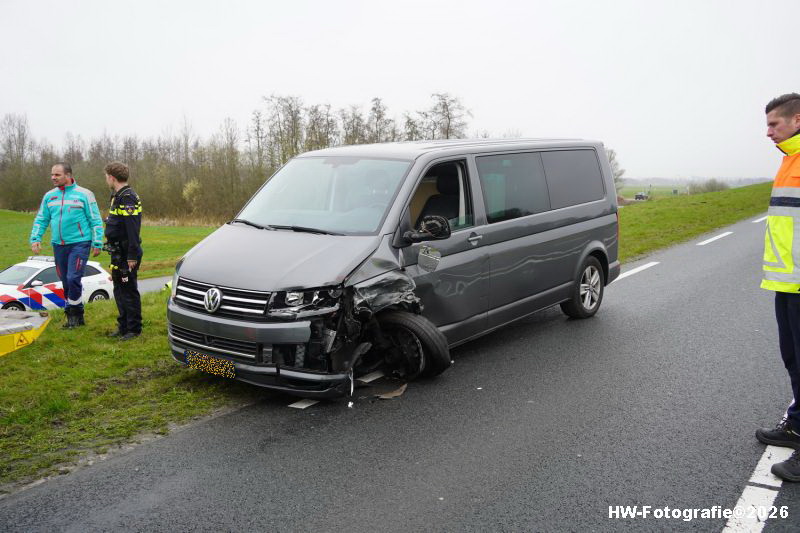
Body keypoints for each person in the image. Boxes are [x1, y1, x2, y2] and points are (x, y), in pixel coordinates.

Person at [756, 93, 800, 482]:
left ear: (797, 120)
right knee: (793, 358)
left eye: (775, 124)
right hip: (787, 283)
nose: (768, 132)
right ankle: (797, 425)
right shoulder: (789, 161)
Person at [29, 163, 103, 328]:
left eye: (57, 175)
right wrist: (35, 238)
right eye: (52, 175)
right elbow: (41, 219)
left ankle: (72, 315)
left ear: (68, 175)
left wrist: (97, 242)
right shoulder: (49, 196)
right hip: (59, 245)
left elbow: (95, 220)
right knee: (66, 281)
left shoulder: (85, 194)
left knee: (73, 278)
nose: (53, 178)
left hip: (80, 243)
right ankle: (79, 314)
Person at [102, 162, 143, 340]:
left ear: (112, 177)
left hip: (127, 253)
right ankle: (123, 326)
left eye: (106, 177)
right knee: (119, 290)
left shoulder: (128, 198)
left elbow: (133, 229)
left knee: (128, 291)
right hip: (118, 252)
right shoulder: (117, 196)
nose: (106, 180)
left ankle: (134, 329)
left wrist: (132, 255)